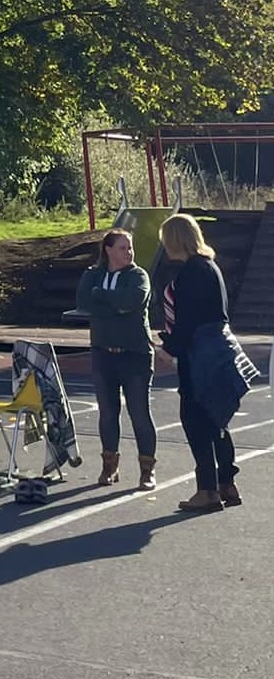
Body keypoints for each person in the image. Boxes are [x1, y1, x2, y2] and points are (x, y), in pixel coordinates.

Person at [157, 212, 245, 513]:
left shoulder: (191, 272)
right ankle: (227, 482)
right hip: (218, 347)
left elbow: (188, 321)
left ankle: (206, 489)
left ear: (175, 240)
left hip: (201, 352)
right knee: (216, 417)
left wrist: (169, 348)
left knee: (195, 419)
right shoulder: (209, 266)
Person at [75, 228, 157, 490]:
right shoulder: (93, 274)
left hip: (135, 355)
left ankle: (147, 470)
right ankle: (109, 465)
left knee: (139, 413)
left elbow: (132, 301)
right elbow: (84, 302)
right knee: (108, 413)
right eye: (122, 247)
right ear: (108, 250)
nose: (129, 252)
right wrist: (112, 304)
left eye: (130, 247)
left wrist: (103, 297)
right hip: (103, 353)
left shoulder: (138, 275)